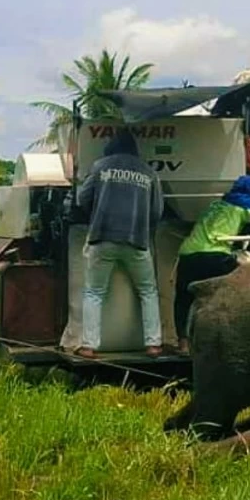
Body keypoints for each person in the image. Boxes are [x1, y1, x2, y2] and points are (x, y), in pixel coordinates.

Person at [75, 127, 165, 358]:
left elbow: (82, 199)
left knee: (94, 292)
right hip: (137, 241)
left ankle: (88, 346)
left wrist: (96, 214)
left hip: (102, 238)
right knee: (148, 291)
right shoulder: (148, 172)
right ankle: (153, 344)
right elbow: (157, 211)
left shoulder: (100, 166)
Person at [174, 175, 250, 355]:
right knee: (237, 291)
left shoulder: (216, 204)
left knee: (184, 299)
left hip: (188, 254)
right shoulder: (245, 203)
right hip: (215, 255)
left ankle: (183, 344)